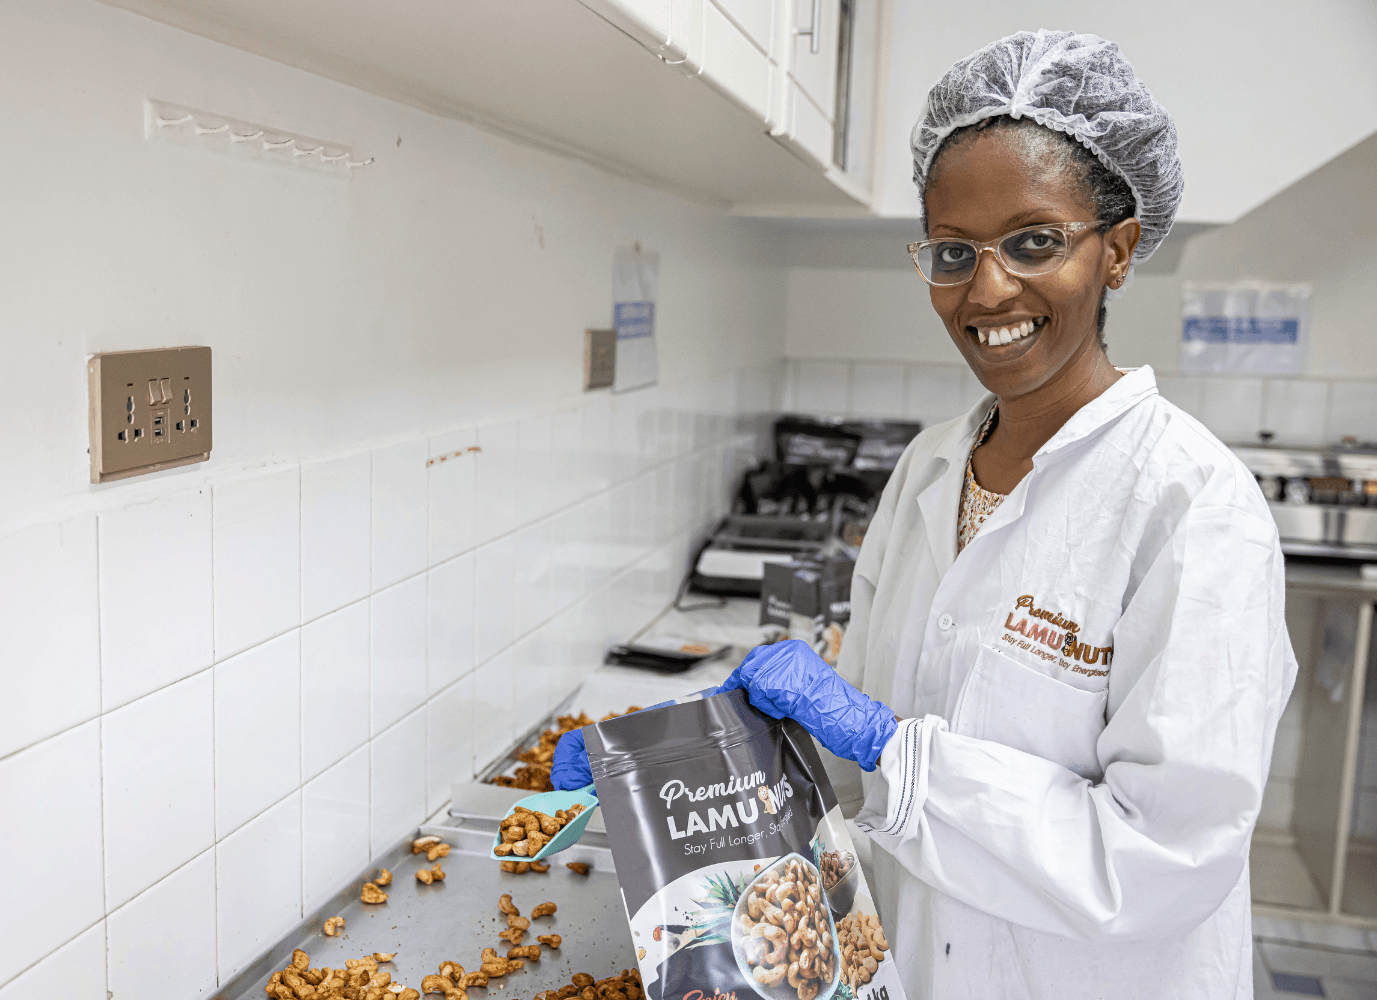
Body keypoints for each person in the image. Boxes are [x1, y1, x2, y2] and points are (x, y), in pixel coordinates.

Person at [553, 30, 1298, 999]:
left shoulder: (1193, 506)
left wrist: (895, 750)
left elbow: (1164, 858)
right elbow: (863, 761)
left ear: (1116, 250)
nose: (987, 289)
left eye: (1035, 241)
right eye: (954, 251)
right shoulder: (928, 469)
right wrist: (699, 752)